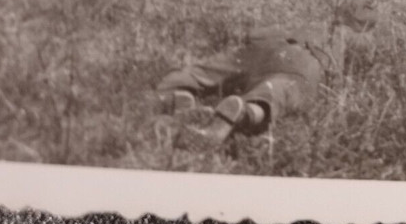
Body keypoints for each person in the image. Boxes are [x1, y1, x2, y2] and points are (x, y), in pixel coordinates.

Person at [157, 12, 375, 144]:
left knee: (203, 72)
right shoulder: (351, 37)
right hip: (304, 62)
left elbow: (253, 34)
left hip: (262, 50)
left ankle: (179, 93)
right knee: (276, 91)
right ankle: (243, 112)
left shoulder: (300, 23)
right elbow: (367, 59)